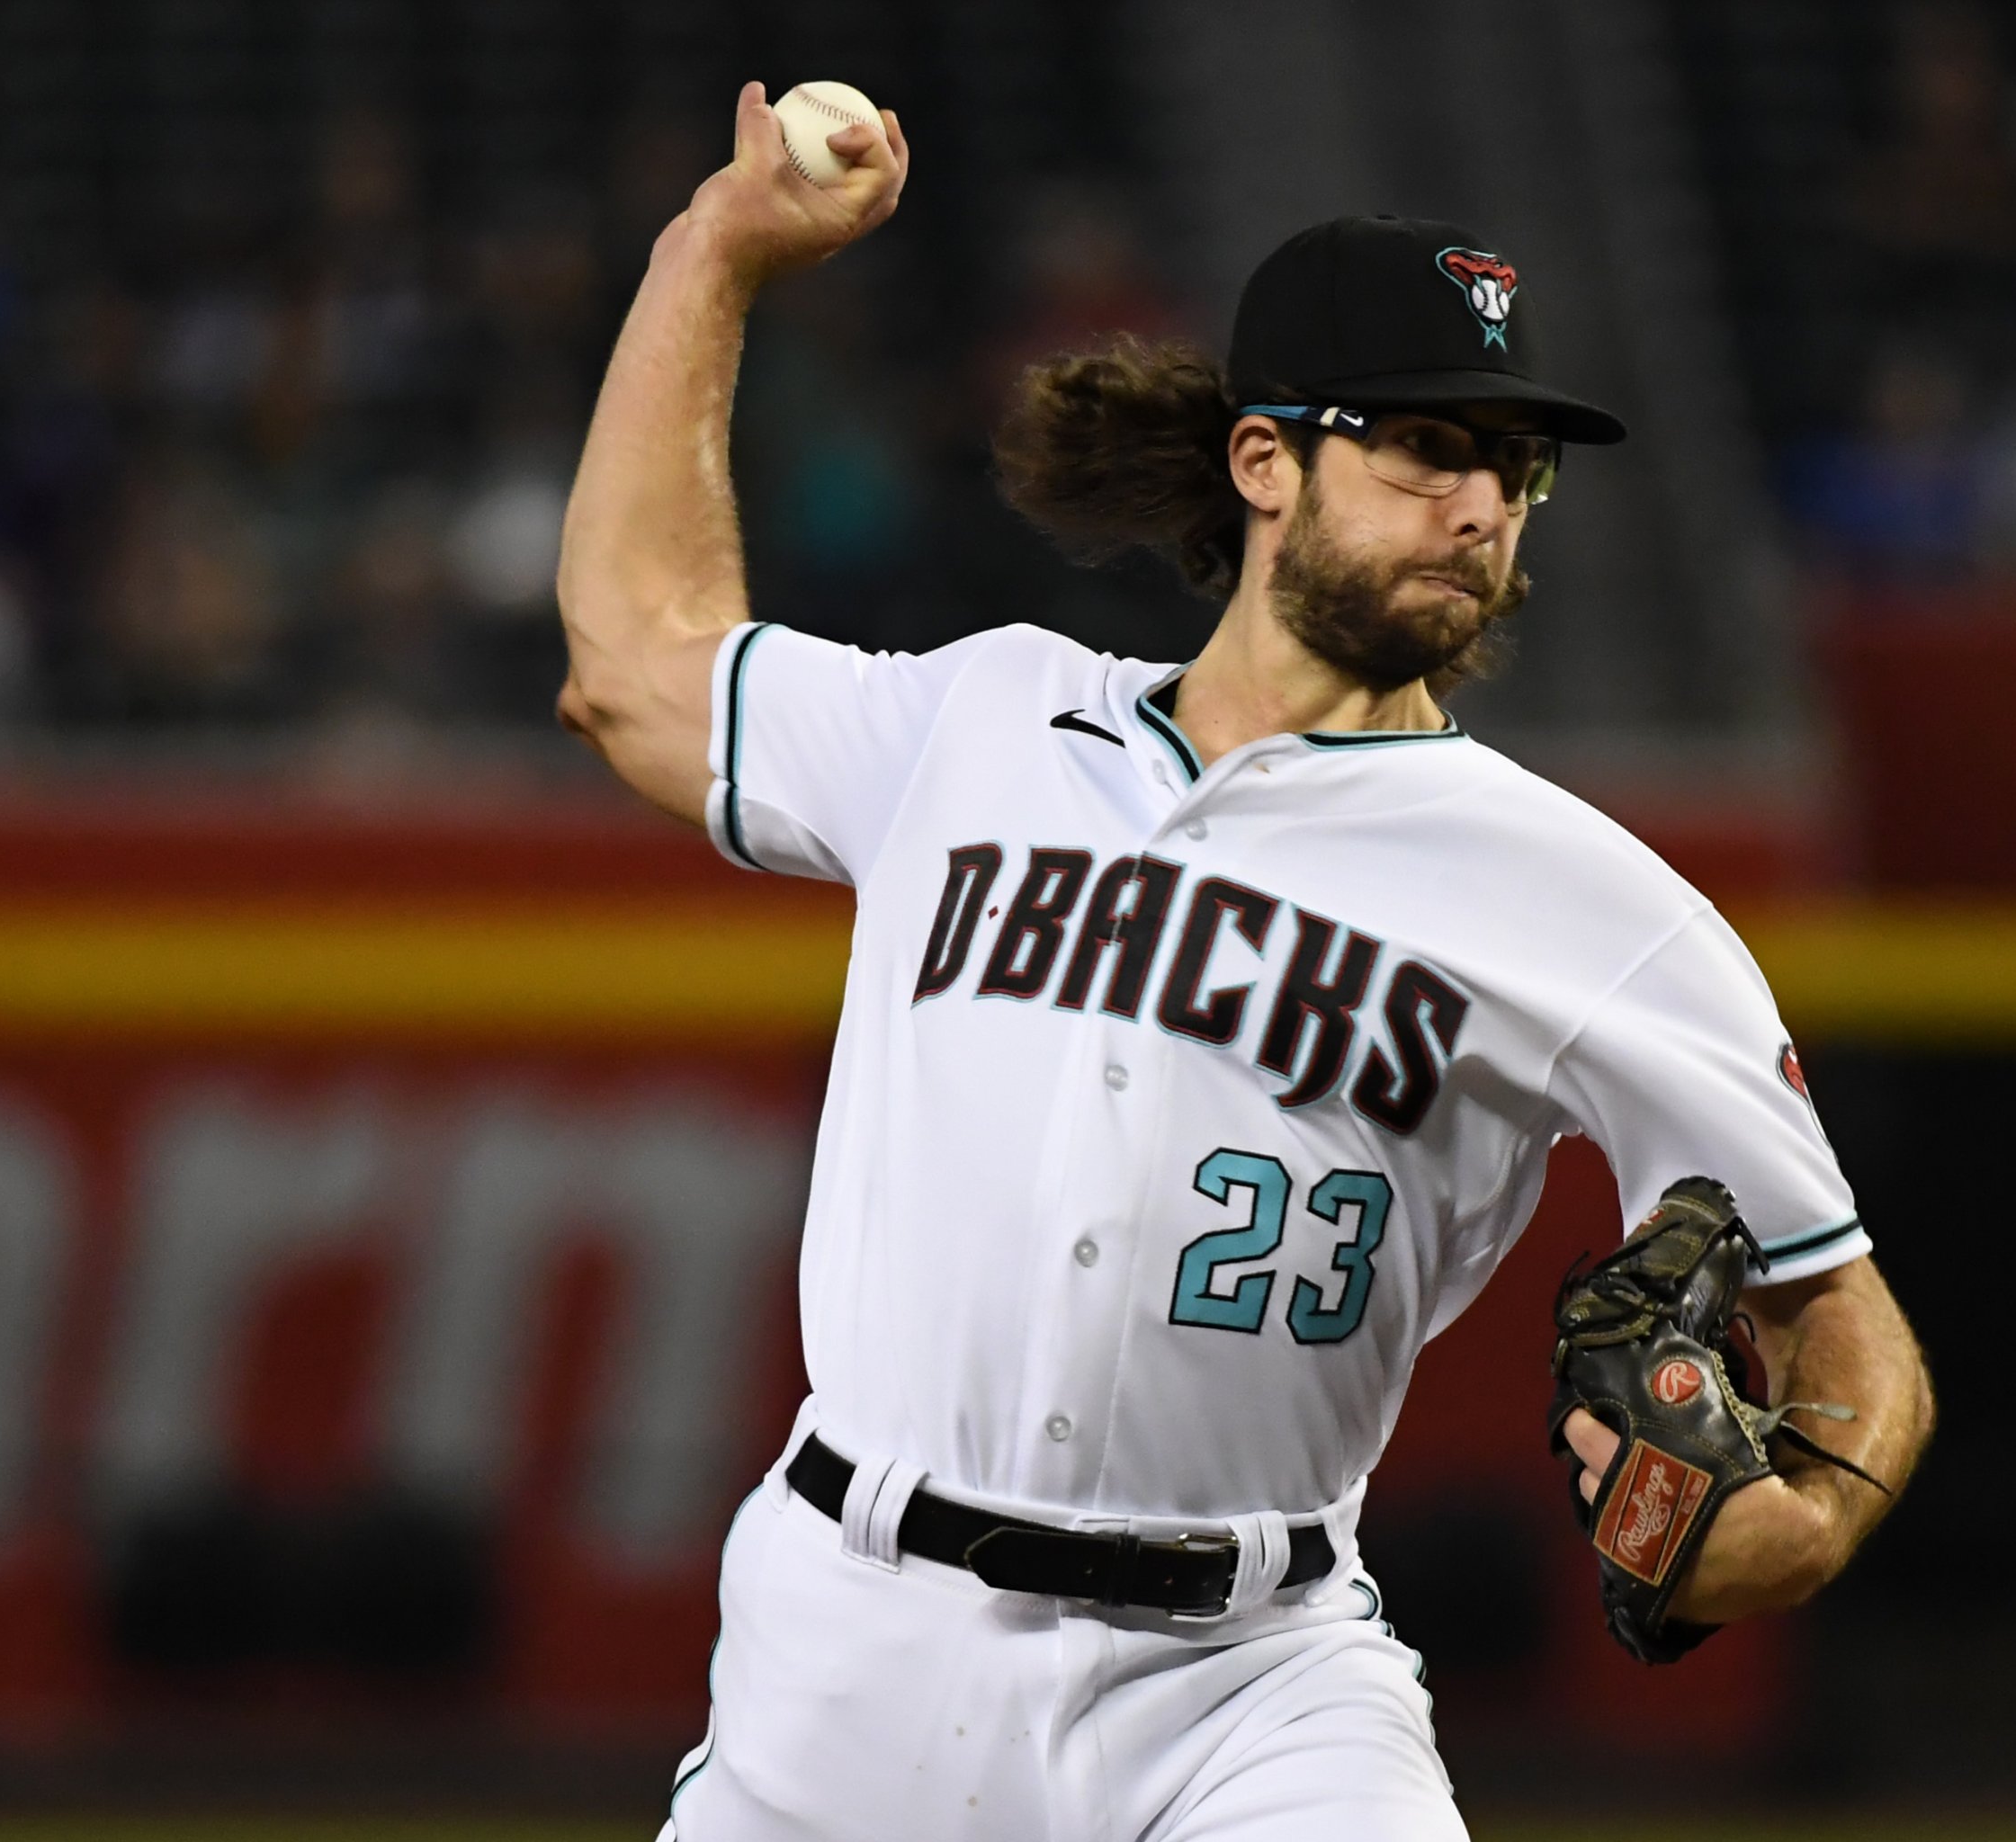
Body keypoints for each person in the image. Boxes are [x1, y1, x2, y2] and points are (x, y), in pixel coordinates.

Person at [556, 85, 1935, 1841]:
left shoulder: (1597, 904)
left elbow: (1844, 1319)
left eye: (1513, 464)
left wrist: (1808, 1512)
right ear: (1266, 459)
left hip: (1249, 1682)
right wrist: (715, 254)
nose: (1480, 503)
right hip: (851, 1645)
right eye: (1427, 447)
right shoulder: (980, 717)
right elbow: (633, 658)